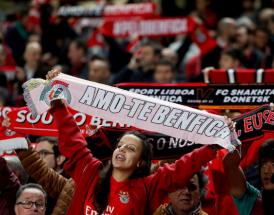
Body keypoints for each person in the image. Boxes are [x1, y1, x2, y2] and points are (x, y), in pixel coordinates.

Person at [44, 68, 236, 215]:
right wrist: (59, 105)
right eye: (120, 146)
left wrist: (214, 143)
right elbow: (73, 141)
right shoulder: (90, 171)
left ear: (141, 162)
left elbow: (181, 168)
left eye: (130, 149)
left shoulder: (147, 186)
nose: (121, 150)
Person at [223, 138, 274, 215]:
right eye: (263, 163)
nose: (266, 171)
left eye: (273, 164)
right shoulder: (251, 199)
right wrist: (245, 141)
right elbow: (230, 164)